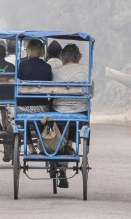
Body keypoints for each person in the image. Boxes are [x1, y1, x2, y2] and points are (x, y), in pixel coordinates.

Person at [51, 43, 91, 188]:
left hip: (59, 111)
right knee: (74, 116)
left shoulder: (56, 71)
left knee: (61, 115)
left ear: (63, 57)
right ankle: (68, 144)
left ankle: (61, 148)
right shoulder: (87, 70)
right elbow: (91, 93)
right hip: (80, 112)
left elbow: (51, 92)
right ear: (78, 56)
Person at [17, 38, 51, 153]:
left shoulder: (22, 65)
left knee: (24, 117)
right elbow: (50, 88)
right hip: (42, 107)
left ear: (29, 50)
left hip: (24, 108)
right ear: (41, 50)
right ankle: (41, 143)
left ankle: (30, 145)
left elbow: (18, 86)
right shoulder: (47, 67)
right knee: (41, 117)